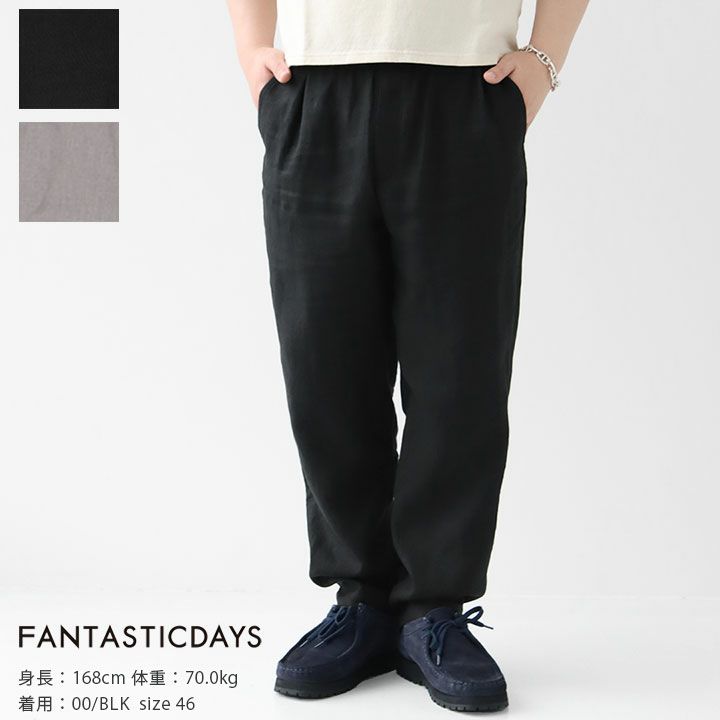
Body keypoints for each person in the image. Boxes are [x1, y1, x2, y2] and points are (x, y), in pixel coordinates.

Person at [227, 0, 588, 712]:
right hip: (314, 90)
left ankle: (434, 610)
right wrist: (250, 50)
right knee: (324, 366)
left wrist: (544, 60)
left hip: (467, 88)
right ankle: (361, 599)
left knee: (460, 371)